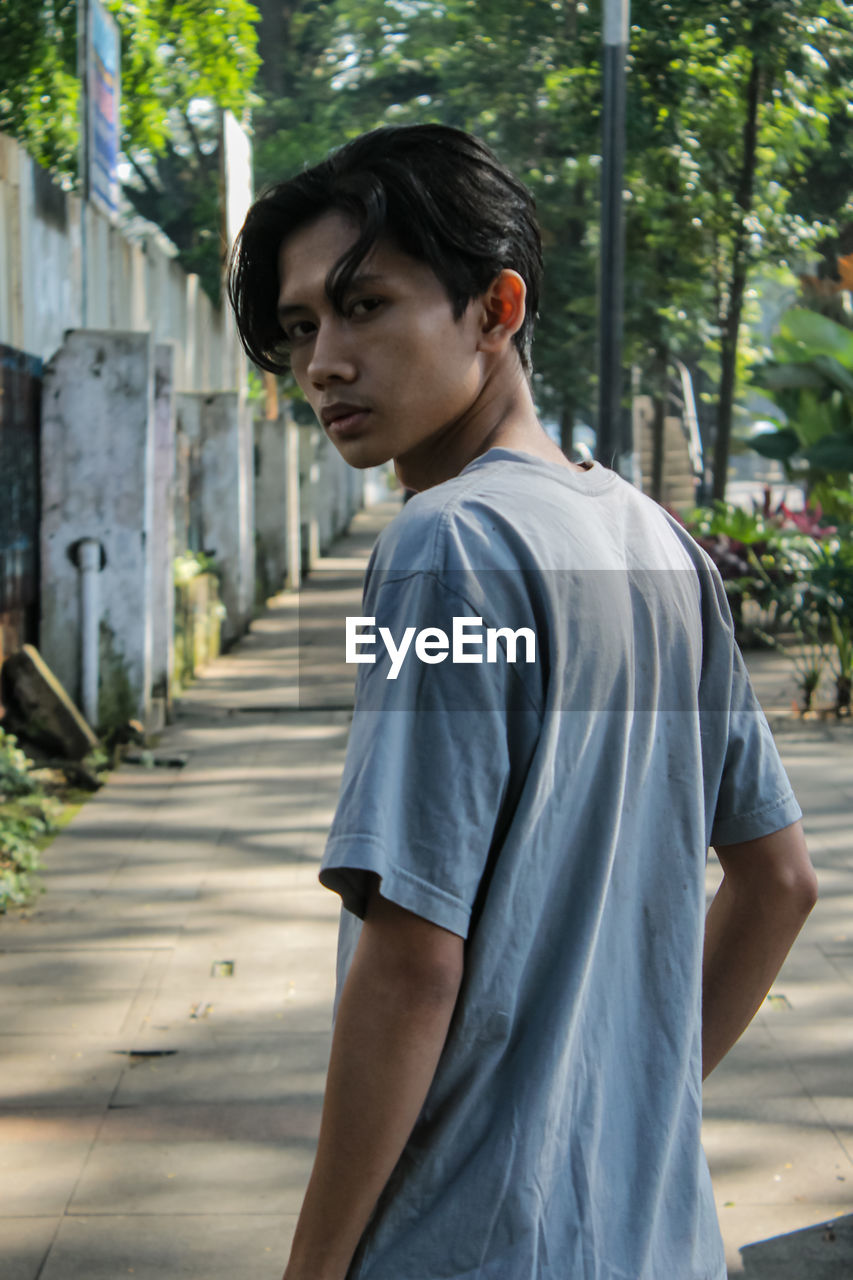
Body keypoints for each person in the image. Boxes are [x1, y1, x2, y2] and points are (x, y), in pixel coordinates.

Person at [228, 124, 818, 1280]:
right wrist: (628, 1101)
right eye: (301, 327)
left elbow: (412, 960)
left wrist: (310, 1268)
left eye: (365, 307)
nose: (322, 364)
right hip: (658, 1238)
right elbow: (779, 879)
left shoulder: (450, 545)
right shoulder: (654, 541)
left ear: (494, 309)